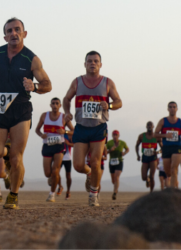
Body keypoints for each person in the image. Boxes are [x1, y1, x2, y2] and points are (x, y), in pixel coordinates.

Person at [0, 18, 52, 209]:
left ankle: (13, 195)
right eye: (9, 31)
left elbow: (48, 84)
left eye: (17, 30)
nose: (13, 33)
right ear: (5, 36)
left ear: (24, 34)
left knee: (17, 157)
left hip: (21, 110)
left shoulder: (32, 59)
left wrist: (35, 86)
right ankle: (4, 152)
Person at [63, 51, 122, 206]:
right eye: (89, 61)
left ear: (100, 64)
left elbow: (118, 102)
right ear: (85, 64)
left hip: (98, 128)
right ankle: (89, 173)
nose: (93, 63)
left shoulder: (108, 83)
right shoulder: (77, 82)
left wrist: (108, 105)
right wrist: (68, 112)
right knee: (78, 165)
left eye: (96, 61)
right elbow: (66, 98)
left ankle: (93, 194)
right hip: (81, 128)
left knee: (96, 162)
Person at [35, 98, 74, 202]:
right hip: (47, 145)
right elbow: (37, 129)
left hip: (59, 146)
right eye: (53, 103)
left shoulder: (64, 117)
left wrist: (64, 131)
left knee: (55, 170)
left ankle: (52, 194)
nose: (55, 105)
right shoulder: (44, 116)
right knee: (48, 173)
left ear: (60, 105)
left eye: (57, 103)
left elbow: (74, 131)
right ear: (50, 105)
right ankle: (54, 179)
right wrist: (41, 135)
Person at [154, 102, 181, 188]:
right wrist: (165, 135)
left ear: (177, 109)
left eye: (174, 107)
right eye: (170, 107)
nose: (172, 109)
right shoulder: (163, 121)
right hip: (166, 148)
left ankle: (173, 191)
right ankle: (175, 184)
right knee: (168, 172)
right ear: (168, 109)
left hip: (177, 147)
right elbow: (155, 134)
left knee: (174, 169)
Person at [136, 121, 162, 193]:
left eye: (151, 125)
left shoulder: (157, 136)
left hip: (153, 158)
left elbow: (163, 148)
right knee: (144, 177)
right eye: (148, 125)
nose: (149, 126)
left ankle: (151, 192)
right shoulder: (141, 136)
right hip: (145, 157)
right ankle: (147, 180)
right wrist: (138, 155)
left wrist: (158, 152)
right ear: (146, 127)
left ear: (153, 127)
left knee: (152, 176)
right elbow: (137, 145)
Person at [107, 130, 129, 200]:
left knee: (117, 177)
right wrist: (110, 150)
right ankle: (116, 188)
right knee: (113, 180)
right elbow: (104, 151)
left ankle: (115, 192)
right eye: (114, 135)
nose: (115, 136)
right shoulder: (109, 143)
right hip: (112, 162)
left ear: (118, 136)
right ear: (112, 136)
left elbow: (127, 149)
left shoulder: (122, 143)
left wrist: (124, 153)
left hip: (119, 161)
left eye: (116, 135)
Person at [58, 133, 74, 200]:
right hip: (58, 157)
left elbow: (74, 144)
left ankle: (68, 191)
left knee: (68, 176)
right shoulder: (56, 133)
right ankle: (60, 186)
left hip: (67, 158)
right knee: (56, 173)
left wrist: (68, 143)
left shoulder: (68, 134)